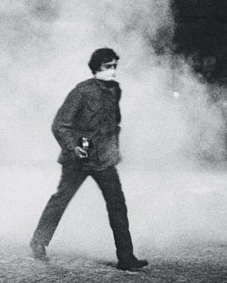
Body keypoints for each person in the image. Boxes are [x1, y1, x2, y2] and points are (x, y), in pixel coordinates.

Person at [29, 48, 148, 270]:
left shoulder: (115, 90)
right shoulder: (81, 92)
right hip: (79, 159)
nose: (113, 71)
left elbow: (114, 123)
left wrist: (113, 147)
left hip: (104, 159)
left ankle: (126, 257)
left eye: (115, 66)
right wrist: (74, 148)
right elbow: (60, 125)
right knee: (61, 200)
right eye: (108, 67)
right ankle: (38, 243)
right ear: (96, 68)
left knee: (117, 205)